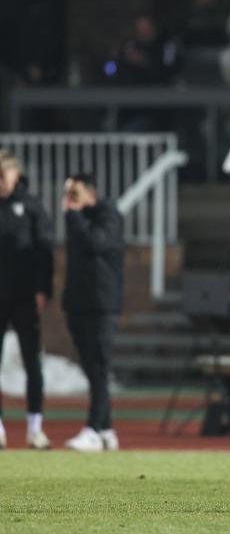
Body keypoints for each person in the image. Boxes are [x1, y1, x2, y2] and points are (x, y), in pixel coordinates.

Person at [62, 174, 124, 452]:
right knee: (91, 368)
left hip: (101, 304)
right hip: (79, 303)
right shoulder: (76, 220)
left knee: (99, 367)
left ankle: (93, 429)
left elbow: (96, 243)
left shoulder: (108, 215)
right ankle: (107, 429)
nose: (70, 199)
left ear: (90, 192)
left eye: (74, 192)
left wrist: (74, 216)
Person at [0, 151, 53, 450]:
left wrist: (42, 289)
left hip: (23, 296)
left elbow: (44, 251)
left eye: (2, 177)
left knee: (32, 362)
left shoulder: (31, 207)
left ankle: (35, 428)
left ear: (15, 175)